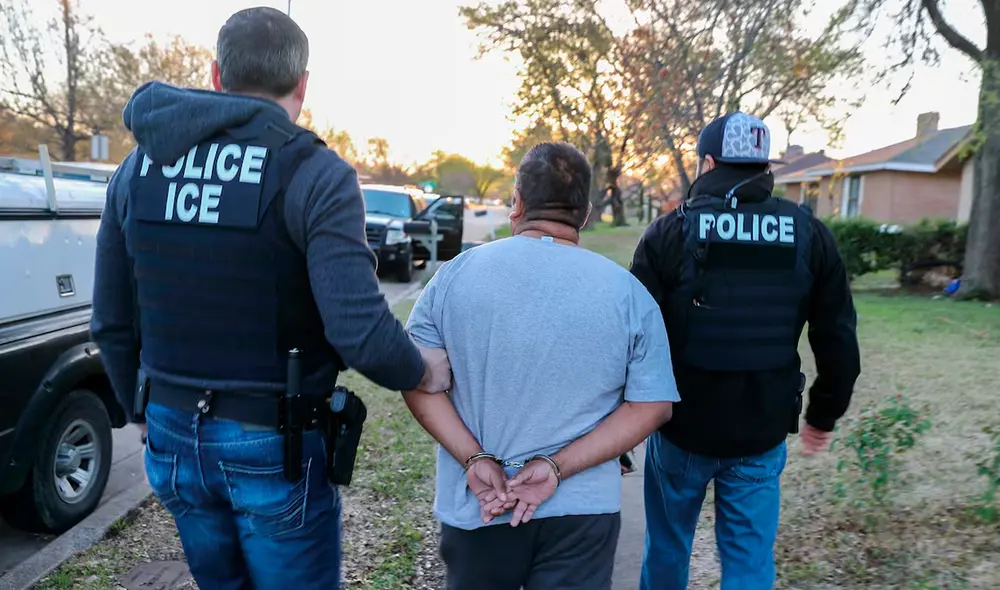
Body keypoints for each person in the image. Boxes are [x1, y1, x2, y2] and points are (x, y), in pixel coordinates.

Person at [90, 7, 450, 589]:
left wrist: (142, 410)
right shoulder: (316, 171)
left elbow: (110, 318)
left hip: (171, 430)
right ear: (302, 85)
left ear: (216, 75)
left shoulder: (138, 168)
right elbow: (358, 330)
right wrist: (422, 370)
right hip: (272, 440)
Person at [401, 142, 680, 590]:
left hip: (481, 504)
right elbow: (653, 406)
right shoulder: (628, 294)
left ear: (517, 203)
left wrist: (474, 457)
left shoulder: (454, 276)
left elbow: (418, 381)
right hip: (583, 512)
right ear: (584, 214)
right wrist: (557, 467)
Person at [630, 112, 861, 590]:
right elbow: (837, 335)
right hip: (761, 430)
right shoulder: (809, 233)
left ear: (709, 163)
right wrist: (824, 415)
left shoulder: (670, 231)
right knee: (749, 562)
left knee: (668, 548)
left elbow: (630, 335)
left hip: (681, 428)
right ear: (764, 166)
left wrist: (621, 416)